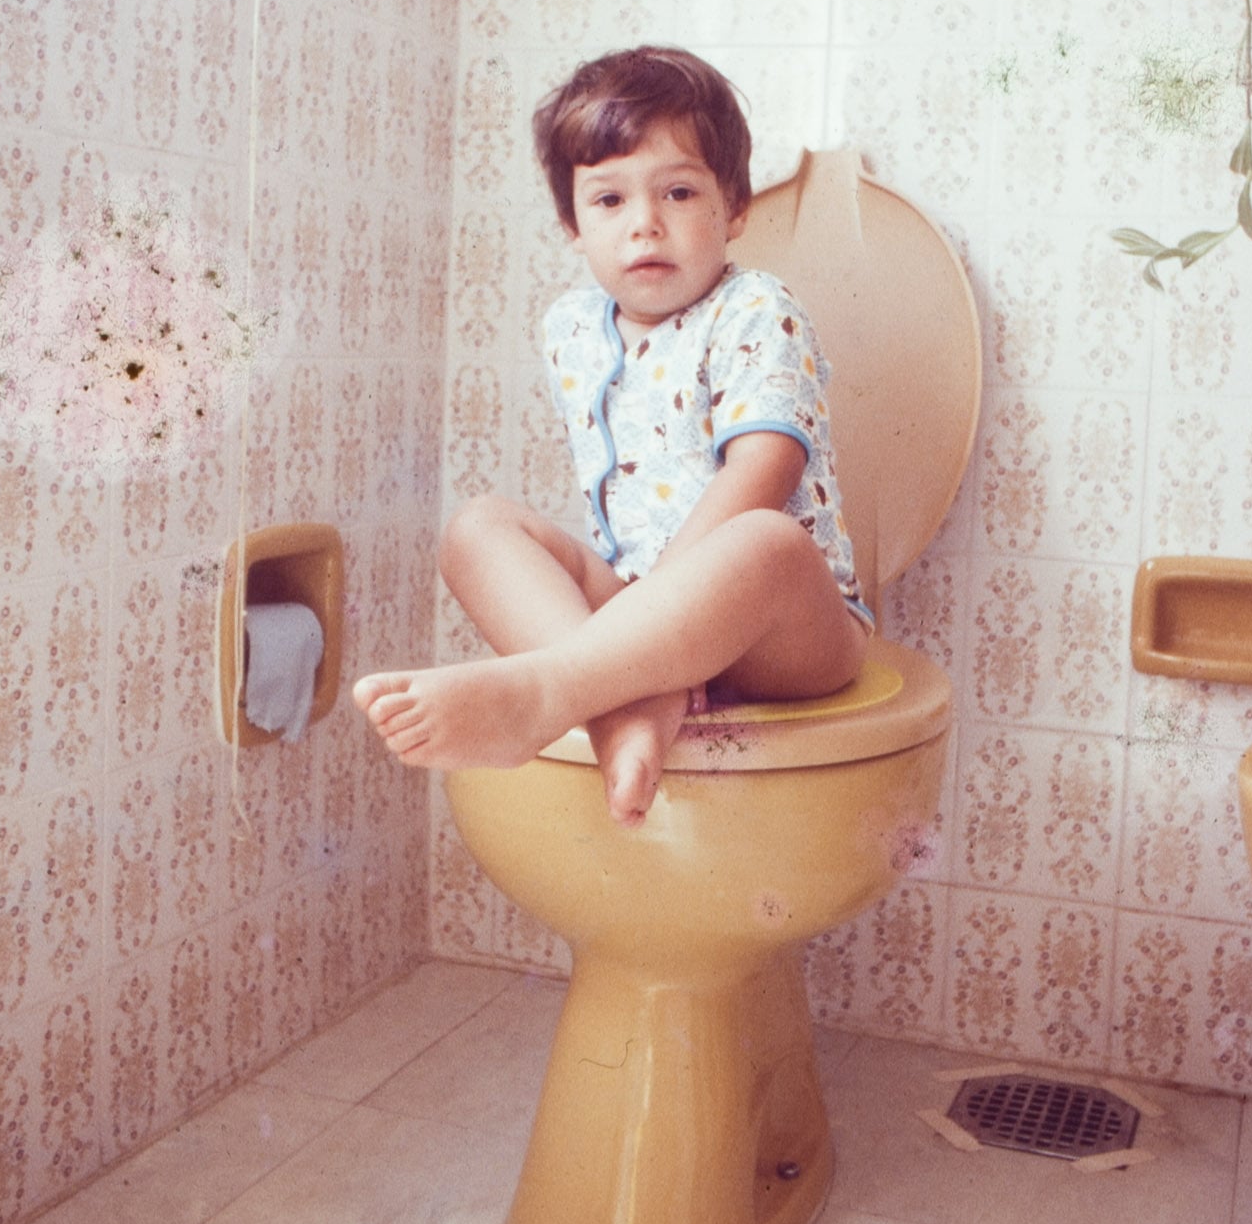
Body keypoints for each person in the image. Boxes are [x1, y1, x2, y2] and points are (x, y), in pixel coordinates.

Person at [353, 46, 870, 826]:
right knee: (477, 529)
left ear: (734, 208)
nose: (644, 224)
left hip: (785, 629)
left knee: (765, 538)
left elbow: (761, 471)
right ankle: (625, 709)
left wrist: (656, 621)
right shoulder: (572, 328)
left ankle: (551, 691)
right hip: (638, 610)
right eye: (608, 200)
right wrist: (645, 631)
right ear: (572, 222)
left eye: (679, 192)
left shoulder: (756, 309)